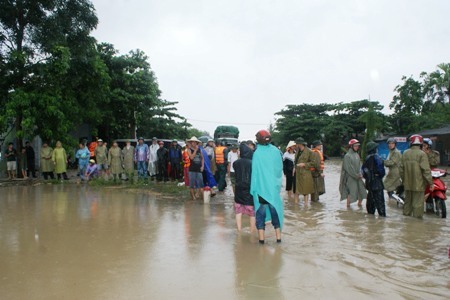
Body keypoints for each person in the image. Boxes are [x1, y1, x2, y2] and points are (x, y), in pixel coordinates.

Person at [251, 130, 283, 244]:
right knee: (276, 214)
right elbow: (279, 170)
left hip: (261, 190)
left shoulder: (257, 153)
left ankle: (261, 241)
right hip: (273, 190)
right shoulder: (276, 151)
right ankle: (278, 239)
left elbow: (254, 173)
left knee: (260, 214)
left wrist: (253, 189)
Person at [399, 134, 433, 218]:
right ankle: (417, 226)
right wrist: (431, 183)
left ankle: (407, 223)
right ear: (420, 143)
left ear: (411, 143)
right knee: (418, 204)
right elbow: (426, 170)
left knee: (407, 203)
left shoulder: (405, 153)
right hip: (419, 184)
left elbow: (401, 169)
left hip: (407, 184)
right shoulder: (422, 154)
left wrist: (404, 180)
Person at [233, 143, 256, 232]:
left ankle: (239, 230)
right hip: (249, 189)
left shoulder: (236, 163)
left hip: (238, 189)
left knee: (238, 210)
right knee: (251, 212)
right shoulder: (252, 163)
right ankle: (252, 231)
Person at [339, 139, 367, 207]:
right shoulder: (347, 156)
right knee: (351, 192)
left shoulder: (357, 154)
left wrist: (361, 173)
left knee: (362, 191)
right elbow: (349, 168)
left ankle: (359, 205)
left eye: (358, 146)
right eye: (355, 146)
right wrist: (356, 175)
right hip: (350, 177)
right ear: (351, 146)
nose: (357, 147)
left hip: (358, 176)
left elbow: (360, 165)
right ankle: (348, 207)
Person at [362, 141, 386, 217]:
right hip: (377, 183)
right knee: (380, 204)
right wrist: (378, 176)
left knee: (370, 204)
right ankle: (382, 220)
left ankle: (370, 221)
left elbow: (363, 171)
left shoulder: (366, 159)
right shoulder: (377, 158)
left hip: (369, 183)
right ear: (374, 149)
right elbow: (382, 171)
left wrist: (368, 177)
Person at [293, 137, 316, 203]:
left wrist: (304, 164)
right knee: (296, 190)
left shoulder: (309, 152)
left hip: (305, 174)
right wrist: (294, 168)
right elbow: (295, 161)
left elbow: (313, 163)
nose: (296, 145)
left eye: (297, 143)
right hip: (297, 173)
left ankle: (306, 206)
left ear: (300, 144)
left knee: (305, 191)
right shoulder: (297, 151)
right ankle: (296, 206)